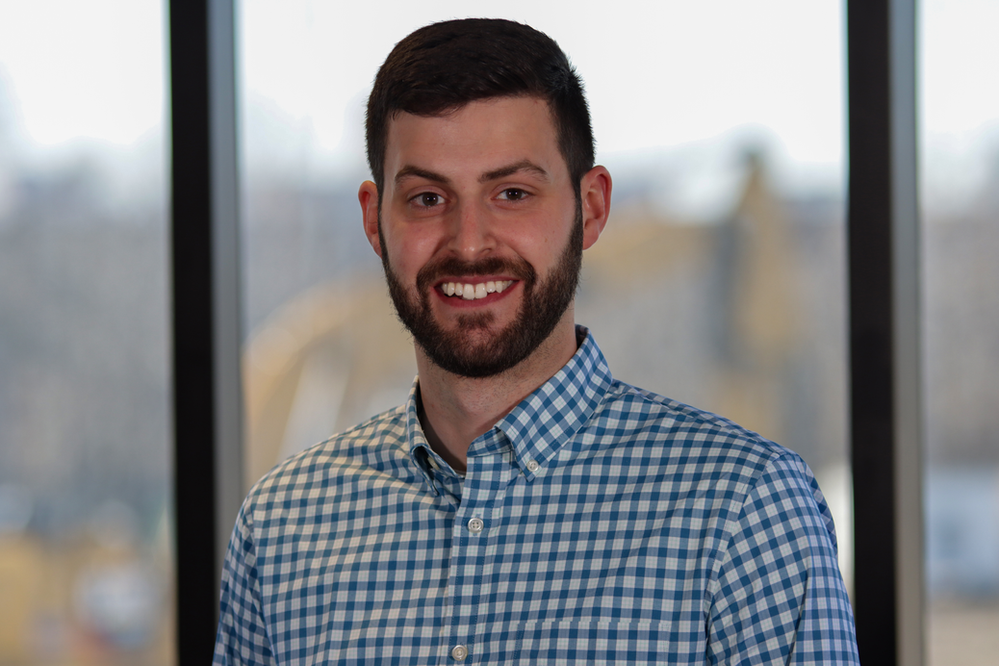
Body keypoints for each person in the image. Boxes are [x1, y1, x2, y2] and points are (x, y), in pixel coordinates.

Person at [214, 18, 859, 665]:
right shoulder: (280, 531)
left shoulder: (745, 512)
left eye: (512, 193)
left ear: (593, 207)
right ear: (373, 221)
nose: (468, 242)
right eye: (428, 197)